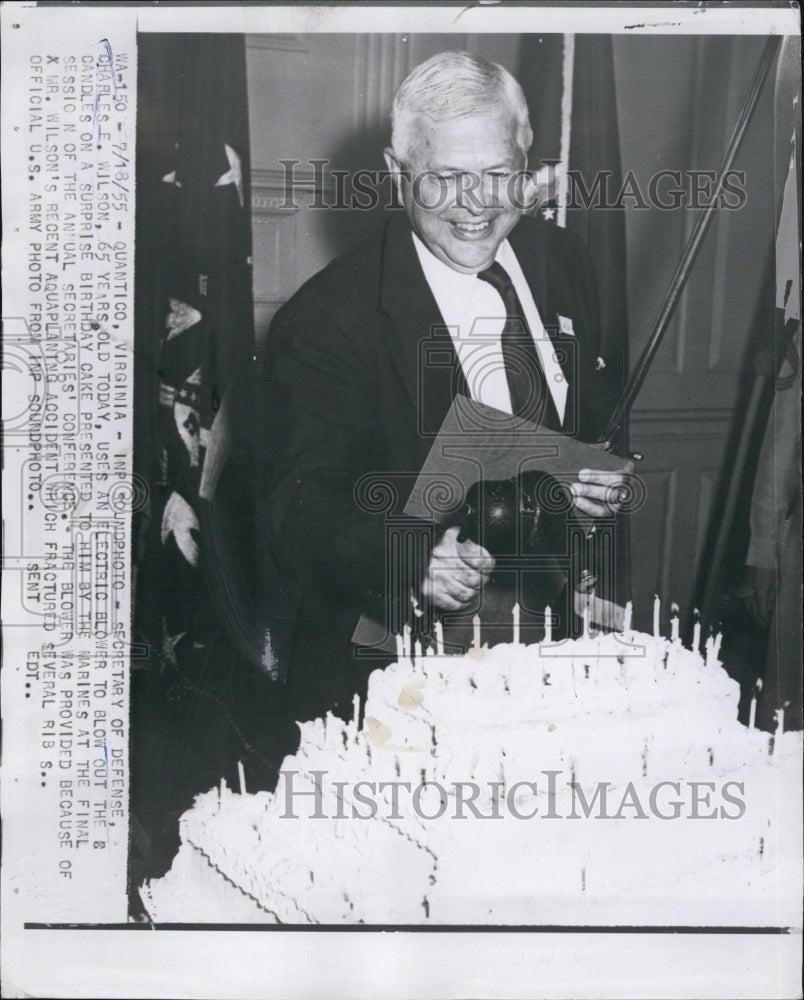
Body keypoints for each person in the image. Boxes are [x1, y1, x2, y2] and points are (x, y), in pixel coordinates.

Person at [261, 51, 627, 734]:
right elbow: (299, 507)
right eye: (446, 178)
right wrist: (409, 558)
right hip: (389, 678)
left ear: (528, 165)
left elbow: (589, 420)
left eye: (498, 176)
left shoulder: (565, 260)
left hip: (547, 654)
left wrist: (594, 486)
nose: (475, 207)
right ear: (398, 173)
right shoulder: (326, 322)